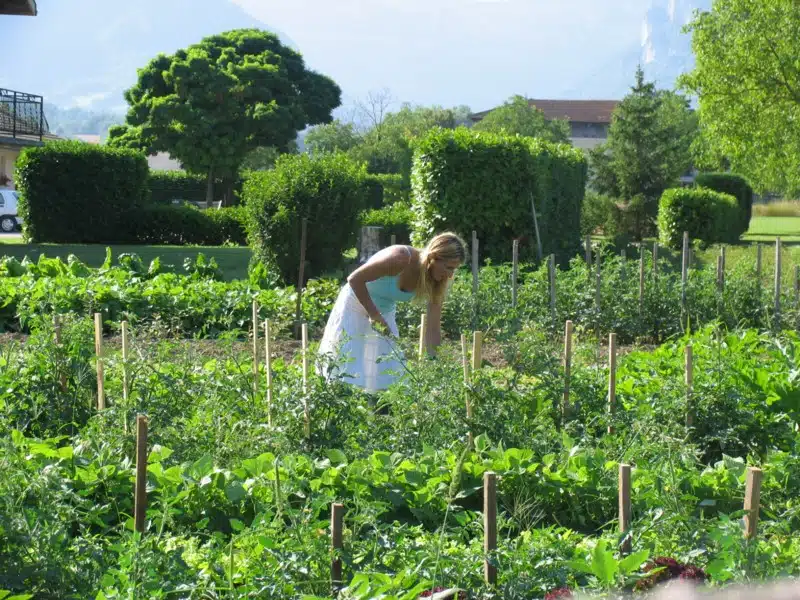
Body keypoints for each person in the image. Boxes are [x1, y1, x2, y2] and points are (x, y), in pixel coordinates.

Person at [317, 231, 467, 393]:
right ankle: (338, 403)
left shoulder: (438, 282)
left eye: (454, 270)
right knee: (344, 365)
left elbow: (432, 328)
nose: (450, 275)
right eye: (449, 267)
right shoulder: (401, 258)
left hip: (383, 312)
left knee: (387, 372)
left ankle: (375, 412)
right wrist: (374, 315)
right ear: (434, 257)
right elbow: (354, 279)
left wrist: (434, 364)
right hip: (355, 303)